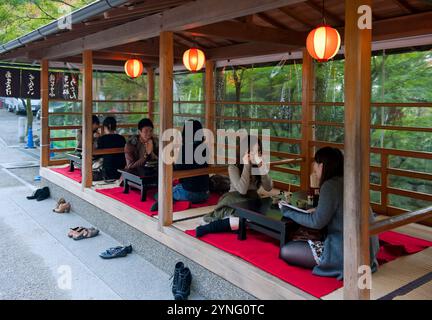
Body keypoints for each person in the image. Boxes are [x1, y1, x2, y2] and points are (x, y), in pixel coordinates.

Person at [279, 147, 380, 280]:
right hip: (368, 249)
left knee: (286, 250)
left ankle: (334, 263)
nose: (314, 167)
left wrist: (288, 211)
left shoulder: (330, 186)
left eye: (315, 163)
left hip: (347, 252)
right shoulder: (352, 180)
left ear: (322, 165)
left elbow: (316, 222)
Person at [195, 135, 273, 237]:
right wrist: (246, 165)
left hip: (251, 200)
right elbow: (242, 190)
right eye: (252, 151)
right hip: (233, 200)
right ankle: (207, 228)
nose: (256, 154)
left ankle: (234, 226)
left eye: (258, 151)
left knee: (262, 217)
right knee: (241, 220)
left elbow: (268, 187)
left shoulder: (259, 166)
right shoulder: (233, 167)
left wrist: (262, 168)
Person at [150, 120, 210, 211]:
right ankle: (173, 199)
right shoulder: (205, 147)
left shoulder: (186, 148)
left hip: (190, 193)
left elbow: (177, 169)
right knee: (176, 187)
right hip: (206, 193)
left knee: (159, 194)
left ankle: (166, 202)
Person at [94, 116, 126, 181]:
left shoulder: (102, 139)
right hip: (121, 169)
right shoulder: (122, 138)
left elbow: (96, 156)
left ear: (105, 127)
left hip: (108, 171)